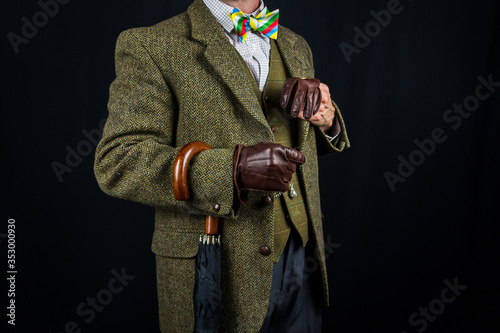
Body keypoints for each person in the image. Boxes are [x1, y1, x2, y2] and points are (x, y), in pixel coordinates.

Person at [94, 0, 350, 331]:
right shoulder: (151, 44)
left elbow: (295, 140)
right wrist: (232, 168)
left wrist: (326, 117)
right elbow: (118, 160)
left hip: (302, 255)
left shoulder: (295, 43)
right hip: (216, 265)